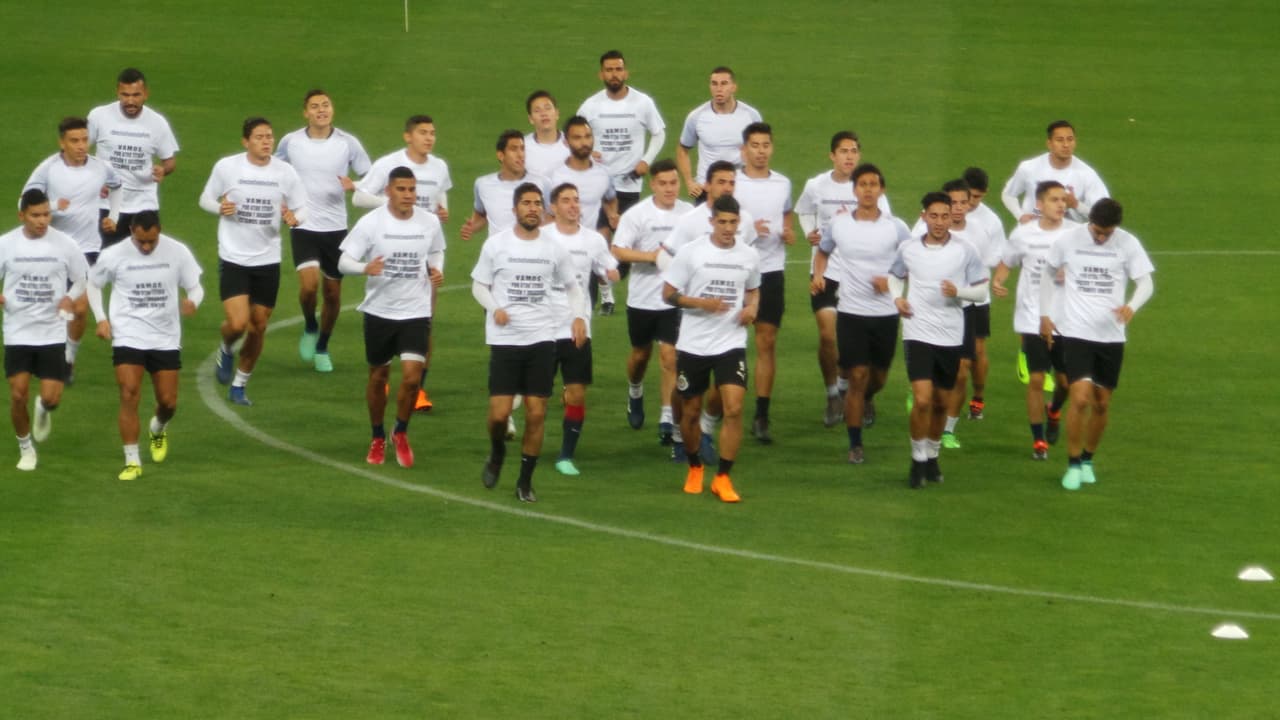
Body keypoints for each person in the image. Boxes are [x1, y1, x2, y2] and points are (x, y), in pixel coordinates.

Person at [472, 183, 588, 502]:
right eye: (526, 203)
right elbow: (479, 286)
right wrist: (495, 309)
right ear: (515, 210)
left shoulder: (553, 248)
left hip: (541, 337)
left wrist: (578, 317)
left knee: (537, 413)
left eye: (537, 203)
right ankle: (497, 453)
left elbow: (573, 287)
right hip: (506, 340)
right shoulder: (497, 246)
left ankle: (525, 481)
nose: (533, 208)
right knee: (498, 415)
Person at [1039, 198, 1153, 490]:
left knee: (1101, 404)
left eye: (1107, 233)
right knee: (1080, 398)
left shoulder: (1127, 244)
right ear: (1090, 222)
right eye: (1097, 232)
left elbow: (1146, 283)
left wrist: (1132, 306)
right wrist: (1045, 313)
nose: (1101, 238)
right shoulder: (1069, 240)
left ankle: (1088, 459)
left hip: (1111, 336)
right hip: (1076, 331)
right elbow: (1048, 273)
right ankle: (1073, 463)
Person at [338, 167, 446, 469]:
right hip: (379, 311)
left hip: (416, 310)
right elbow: (343, 260)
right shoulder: (371, 223)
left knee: (412, 377)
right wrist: (363, 269)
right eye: (402, 189)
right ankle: (377, 435)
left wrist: (437, 270)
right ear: (388, 191)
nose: (408, 195)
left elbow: (437, 252)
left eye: (412, 190)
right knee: (378, 377)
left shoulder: (429, 222)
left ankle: (400, 431)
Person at [199, 117, 309, 406]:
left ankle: (239, 385)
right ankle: (226, 347)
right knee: (237, 323)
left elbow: (302, 207)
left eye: (269, 137)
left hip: (267, 259)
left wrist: (295, 218)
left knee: (258, 326)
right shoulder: (227, 167)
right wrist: (219, 207)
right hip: (234, 256)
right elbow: (205, 199)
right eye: (259, 137)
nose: (266, 142)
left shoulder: (285, 172)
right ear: (245, 141)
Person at [86, 211, 202, 480]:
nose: (147, 247)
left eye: (152, 241)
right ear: (132, 233)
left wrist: (193, 301)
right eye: (141, 242)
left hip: (165, 337)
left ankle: (158, 428)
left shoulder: (177, 252)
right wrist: (102, 319)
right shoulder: (114, 255)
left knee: (168, 402)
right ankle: (132, 460)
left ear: (159, 231)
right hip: (128, 333)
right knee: (129, 393)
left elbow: (195, 287)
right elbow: (93, 284)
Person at [662, 195, 761, 503]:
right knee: (689, 411)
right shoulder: (692, 253)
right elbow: (668, 294)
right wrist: (701, 303)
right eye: (723, 222)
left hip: (730, 341)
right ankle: (694, 467)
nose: (728, 228)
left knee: (733, 407)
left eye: (733, 222)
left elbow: (754, 289)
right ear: (712, 222)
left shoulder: (749, 255)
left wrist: (753, 308)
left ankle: (723, 477)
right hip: (694, 344)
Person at [888, 192, 988, 488]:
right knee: (921, 399)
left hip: (950, 333)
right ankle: (917, 460)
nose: (940, 222)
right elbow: (894, 276)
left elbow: (981, 292)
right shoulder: (908, 249)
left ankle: (932, 455)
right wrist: (898, 298)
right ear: (924, 216)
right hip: (917, 331)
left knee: (942, 402)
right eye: (934, 216)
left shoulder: (965, 250)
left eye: (945, 216)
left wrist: (959, 292)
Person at [812, 163, 910, 464]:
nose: (868, 189)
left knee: (877, 378)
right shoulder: (840, 224)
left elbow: (911, 261)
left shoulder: (896, 227)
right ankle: (855, 444)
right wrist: (819, 275)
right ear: (854, 190)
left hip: (885, 313)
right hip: (852, 311)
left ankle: (868, 398)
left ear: (882, 190)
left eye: (874, 184)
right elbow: (824, 250)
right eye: (863, 184)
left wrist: (891, 281)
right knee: (856, 374)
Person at [354, 114, 453, 412]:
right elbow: (359, 198)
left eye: (433, 133)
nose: (429, 138)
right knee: (387, 318)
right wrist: (395, 204)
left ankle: (418, 388)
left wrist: (441, 210)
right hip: (391, 250)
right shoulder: (388, 165)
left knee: (425, 321)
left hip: (424, 253)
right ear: (407, 136)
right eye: (423, 132)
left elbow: (440, 195)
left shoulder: (439, 167)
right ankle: (381, 377)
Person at [795, 131, 890, 427]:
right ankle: (833, 393)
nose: (849, 156)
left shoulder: (867, 188)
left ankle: (860, 393)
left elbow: (887, 228)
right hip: (826, 271)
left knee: (855, 346)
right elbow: (803, 210)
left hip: (859, 277)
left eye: (853, 151)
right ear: (832, 156)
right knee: (826, 335)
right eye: (843, 151)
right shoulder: (816, 185)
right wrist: (809, 232)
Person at [275, 89, 372, 373]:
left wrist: (354, 185)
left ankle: (322, 346)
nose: (321, 110)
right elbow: (275, 172)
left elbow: (370, 175)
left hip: (336, 227)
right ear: (305, 112)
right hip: (303, 224)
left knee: (331, 293)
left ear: (332, 110)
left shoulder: (347, 143)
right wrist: (283, 205)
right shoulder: (291, 142)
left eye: (326, 105)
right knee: (308, 287)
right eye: (315, 106)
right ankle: (310, 324)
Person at [22, 117, 122, 381]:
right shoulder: (48, 169)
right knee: (48, 307)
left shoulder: (101, 167)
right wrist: (54, 206)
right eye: (74, 141)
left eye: (84, 140)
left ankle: (68, 359)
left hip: (87, 248)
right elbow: (24, 201)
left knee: (79, 309)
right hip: (51, 249)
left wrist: (114, 214)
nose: (81, 146)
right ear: (62, 142)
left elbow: (116, 186)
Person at [0, 189, 89, 471]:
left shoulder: (65, 244)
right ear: (22, 215)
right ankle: (26, 449)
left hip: (51, 332)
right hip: (18, 329)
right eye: (35, 215)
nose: (42, 221)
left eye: (46, 214)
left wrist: (69, 297)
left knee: (51, 397)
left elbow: (82, 279)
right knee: (17, 394)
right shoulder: (6, 244)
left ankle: (43, 409)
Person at [991, 181, 1077, 460]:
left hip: (1067, 319)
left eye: (1063, 199)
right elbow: (1007, 261)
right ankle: (1038, 440)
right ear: (1039, 204)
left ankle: (1054, 411)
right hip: (1031, 317)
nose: (1061, 204)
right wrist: (999, 280)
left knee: (1066, 383)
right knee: (1037, 379)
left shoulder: (1076, 234)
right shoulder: (1023, 234)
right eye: (1054, 199)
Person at [610, 159, 692, 448]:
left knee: (670, 357)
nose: (670, 188)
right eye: (664, 183)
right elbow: (618, 250)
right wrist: (652, 257)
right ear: (652, 184)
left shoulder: (689, 214)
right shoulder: (637, 215)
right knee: (640, 356)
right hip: (643, 300)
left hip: (674, 299)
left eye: (674, 183)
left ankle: (667, 418)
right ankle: (635, 390)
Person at [577, 49, 666, 312]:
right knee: (600, 239)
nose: (614, 74)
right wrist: (586, 149)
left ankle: (613, 284)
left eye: (618, 69)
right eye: (609, 70)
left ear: (626, 72)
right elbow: (574, 135)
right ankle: (604, 295)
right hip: (599, 184)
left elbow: (659, 133)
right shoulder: (591, 106)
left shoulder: (642, 103)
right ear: (601, 74)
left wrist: (646, 161)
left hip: (629, 184)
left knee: (626, 247)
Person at [542, 183, 620, 475]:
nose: (574, 205)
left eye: (576, 200)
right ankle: (532, 443)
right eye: (566, 200)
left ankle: (565, 455)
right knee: (538, 397)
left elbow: (609, 266)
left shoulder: (593, 240)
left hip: (577, 327)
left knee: (576, 394)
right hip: (543, 327)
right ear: (553, 207)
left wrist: (611, 272)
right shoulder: (542, 238)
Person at [733, 122, 793, 443]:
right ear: (744, 149)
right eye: (754, 145)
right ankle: (719, 407)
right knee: (727, 342)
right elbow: (719, 221)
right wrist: (750, 228)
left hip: (771, 270)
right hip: (734, 271)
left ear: (772, 148)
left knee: (766, 342)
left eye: (765, 145)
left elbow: (786, 217)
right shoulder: (733, 182)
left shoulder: (783, 183)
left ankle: (761, 414)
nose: (760, 151)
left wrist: (788, 231)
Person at [87, 67, 179, 248]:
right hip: (106, 204)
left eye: (136, 95)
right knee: (98, 262)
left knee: (142, 262)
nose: (130, 101)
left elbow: (170, 162)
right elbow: (80, 151)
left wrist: (163, 170)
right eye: (125, 94)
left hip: (143, 204)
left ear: (146, 94)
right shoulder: (99, 116)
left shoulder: (157, 123)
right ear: (117, 93)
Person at [959, 166, 1007, 420]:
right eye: (968, 196)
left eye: (977, 197)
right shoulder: (945, 211)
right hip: (946, 298)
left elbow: (1000, 258)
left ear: (985, 194)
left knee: (976, 352)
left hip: (977, 297)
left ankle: (978, 397)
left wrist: (997, 280)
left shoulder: (990, 222)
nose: (970, 203)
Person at [676, 66, 762, 202]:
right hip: (707, 190)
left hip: (740, 188)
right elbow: (682, 150)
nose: (718, 89)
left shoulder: (751, 116)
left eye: (724, 83)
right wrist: (689, 182)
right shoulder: (697, 116)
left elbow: (760, 148)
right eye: (714, 84)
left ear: (734, 87)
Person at [1002, 120, 1109, 225]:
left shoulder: (1087, 174)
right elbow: (1008, 195)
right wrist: (1020, 216)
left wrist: (1076, 205)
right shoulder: (1029, 167)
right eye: (1060, 140)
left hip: (1069, 236)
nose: (1066, 145)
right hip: (1033, 234)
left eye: (1070, 139)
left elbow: (1105, 214)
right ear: (1049, 143)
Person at [460, 130, 547, 242]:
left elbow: (552, 217)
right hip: (498, 254)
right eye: (514, 149)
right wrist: (472, 227)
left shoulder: (542, 183)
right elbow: (481, 215)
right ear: (501, 155)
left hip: (531, 251)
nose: (520, 154)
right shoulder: (482, 185)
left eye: (522, 148)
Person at [524, 90, 569, 179]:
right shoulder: (522, 146)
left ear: (557, 114)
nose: (543, 114)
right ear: (530, 119)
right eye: (537, 111)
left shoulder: (573, 143)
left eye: (548, 108)